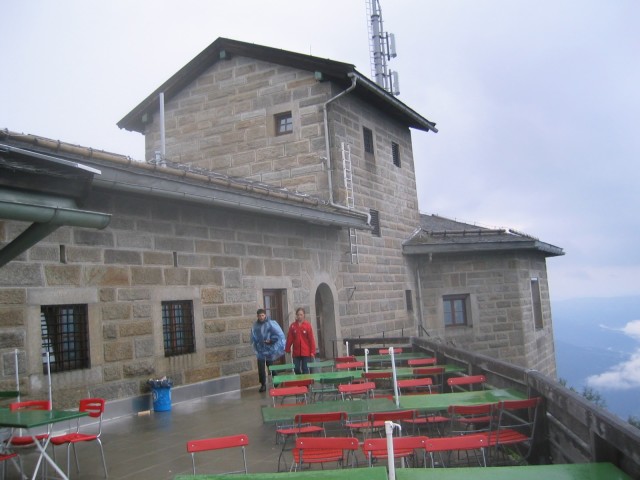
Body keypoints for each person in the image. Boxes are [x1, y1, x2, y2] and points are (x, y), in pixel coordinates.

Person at [250, 308, 285, 392]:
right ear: (257, 316)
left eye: (262, 315)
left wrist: (271, 341)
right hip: (260, 349)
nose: (261, 317)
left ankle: (276, 380)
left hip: (269, 348)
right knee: (261, 367)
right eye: (260, 316)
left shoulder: (270, 324)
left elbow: (278, 334)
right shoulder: (255, 325)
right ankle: (263, 385)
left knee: (270, 365)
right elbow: (253, 336)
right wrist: (256, 345)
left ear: (265, 315)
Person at [285, 307, 317, 374]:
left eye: (301, 315)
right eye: (298, 315)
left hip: (306, 352)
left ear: (304, 315)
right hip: (296, 352)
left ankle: (306, 384)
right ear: (296, 315)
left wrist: (312, 352)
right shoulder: (293, 326)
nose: (299, 316)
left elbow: (311, 339)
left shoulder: (307, 326)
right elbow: (289, 338)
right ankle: (299, 382)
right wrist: (287, 348)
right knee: (296, 368)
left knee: (305, 368)